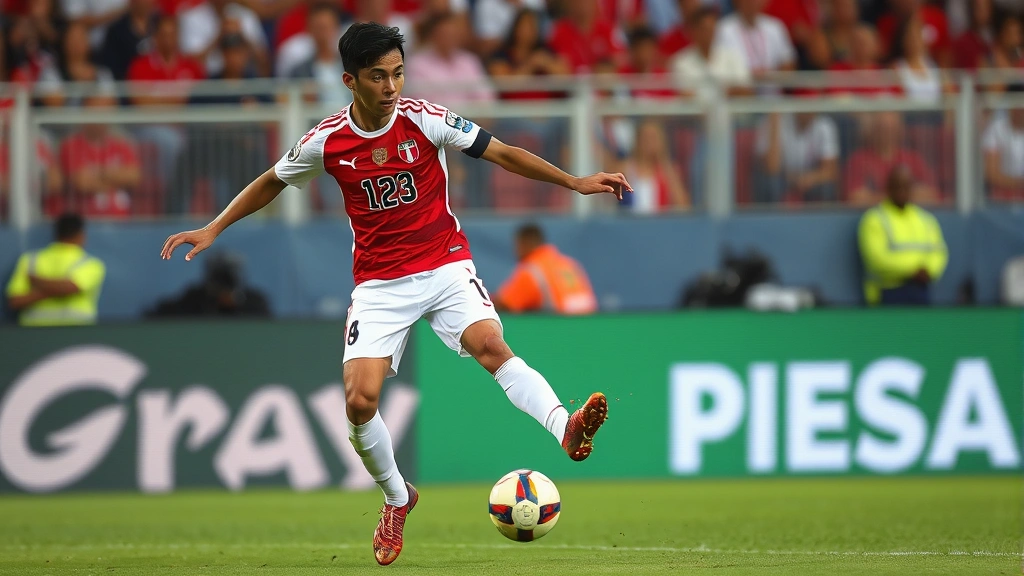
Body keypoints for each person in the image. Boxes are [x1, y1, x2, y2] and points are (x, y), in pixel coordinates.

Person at [160, 22, 626, 566]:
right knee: (359, 402)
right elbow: (272, 179)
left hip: (445, 263)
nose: (391, 86)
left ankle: (563, 426)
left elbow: (501, 152)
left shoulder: (425, 119)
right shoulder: (327, 140)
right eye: (378, 76)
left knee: (491, 346)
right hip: (379, 284)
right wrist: (214, 228)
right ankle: (398, 498)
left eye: (398, 73)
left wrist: (574, 182)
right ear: (350, 81)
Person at [858, 165, 947, 306]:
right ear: (888, 188)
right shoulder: (874, 219)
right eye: (897, 186)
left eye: (906, 187)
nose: (902, 192)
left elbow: (939, 252)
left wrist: (929, 271)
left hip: (921, 289)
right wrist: (912, 270)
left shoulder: (926, 219)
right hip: (886, 292)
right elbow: (877, 258)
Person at [5, 213, 106, 326]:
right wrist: (58, 289)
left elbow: (71, 287)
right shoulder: (91, 263)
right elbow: (15, 302)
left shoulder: (30, 261)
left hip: (46, 336)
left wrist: (37, 282)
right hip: (49, 336)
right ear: (81, 235)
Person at [493, 224, 598, 315]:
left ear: (523, 244)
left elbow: (503, 305)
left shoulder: (532, 271)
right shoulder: (570, 264)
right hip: (590, 327)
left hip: (560, 329)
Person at [145, 251, 270, 317]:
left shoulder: (254, 302)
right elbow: (163, 315)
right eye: (219, 281)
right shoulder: (194, 299)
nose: (224, 290)